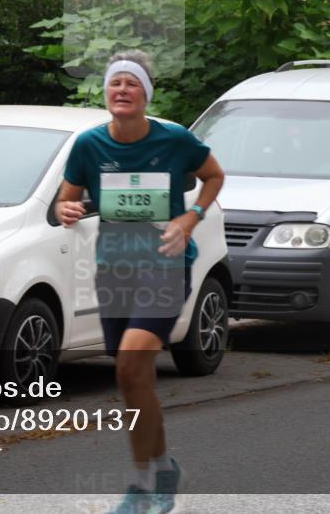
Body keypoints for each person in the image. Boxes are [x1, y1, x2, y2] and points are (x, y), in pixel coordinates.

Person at [56, 50, 224, 514]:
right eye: (115, 84)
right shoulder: (90, 145)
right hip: (114, 269)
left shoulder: (175, 140)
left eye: (132, 84)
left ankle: (140, 484)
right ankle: (163, 469)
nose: (122, 90)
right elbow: (65, 200)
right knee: (136, 379)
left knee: (130, 363)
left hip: (166, 265)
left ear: (145, 94)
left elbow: (213, 176)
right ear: (106, 93)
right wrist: (65, 210)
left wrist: (192, 217)